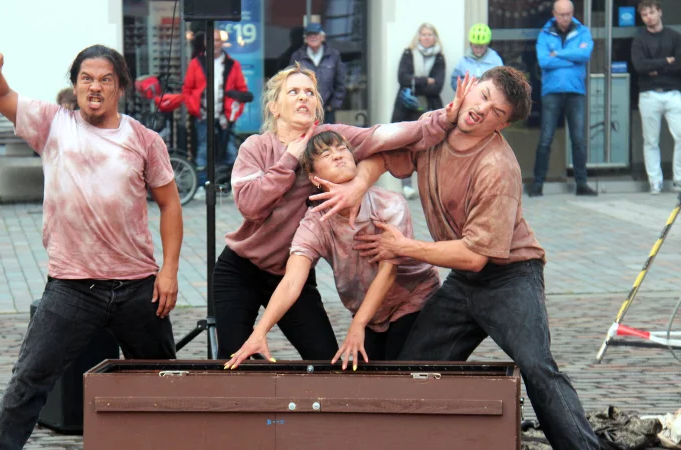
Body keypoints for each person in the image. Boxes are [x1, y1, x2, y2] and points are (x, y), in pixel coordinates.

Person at [315, 66, 598, 450]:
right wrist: (357, 188)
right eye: (482, 96)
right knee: (415, 367)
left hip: (510, 275)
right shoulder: (436, 131)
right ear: (468, 89)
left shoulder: (497, 167)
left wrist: (404, 247)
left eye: (496, 112)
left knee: (537, 368)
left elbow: (476, 256)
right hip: (463, 281)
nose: (483, 110)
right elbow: (383, 158)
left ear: (502, 126)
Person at [0, 44, 183, 449]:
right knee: (28, 381)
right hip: (71, 286)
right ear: (74, 85)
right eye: (86, 78)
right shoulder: (53, 123)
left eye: (106, 79)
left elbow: (170, 203)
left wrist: (170, 270)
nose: (95, 87)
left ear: (120, 87)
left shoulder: (144, 139)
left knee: (164, 384)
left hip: (138, 286)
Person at [213, 63, 468, 362]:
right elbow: (250, 206)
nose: (303, 98)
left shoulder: (329, 140)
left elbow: (384, 136)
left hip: (294, 269)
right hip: (241, 269)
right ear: (275, 107)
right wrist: (289, 160)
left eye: (310, 92)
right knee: (233, 358)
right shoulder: (255, 147)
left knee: (324, 360)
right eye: (293, 92)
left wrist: (444, 118)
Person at [224, 130, 440, 370]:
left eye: (342, 150)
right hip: (372, 315)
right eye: (327, 154)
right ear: (314, 177)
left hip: (415, 300)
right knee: (362, 381)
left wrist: (357, 326)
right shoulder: (316, 223)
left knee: (396, 375)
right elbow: (292, 281)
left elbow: (388, 272)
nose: (338, 156)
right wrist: (260, 331)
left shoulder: (389, 204)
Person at [530, 0, 597, 197]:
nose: (565, 18)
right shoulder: (545, 33)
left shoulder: (583, 31)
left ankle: (581, 184)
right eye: (561, 14)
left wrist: (558, 54)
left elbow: (584, 54)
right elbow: (544, 61)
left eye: (568, 14)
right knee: (546, 138)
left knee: (578, 139)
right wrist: (571, 59)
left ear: (572, 13)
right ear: (554, 14)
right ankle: (538, 184)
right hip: (551, 91)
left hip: (576, 91)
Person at [182, 29, 252, 190]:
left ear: (221, 43)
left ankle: (235, 186)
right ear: (206, 43)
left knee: (230, 152)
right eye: (211, 40)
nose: (214, 43)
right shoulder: (196, 63)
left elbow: (241, 90)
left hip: (225, 116)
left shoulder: (232, 65)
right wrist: (194, 108)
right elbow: (188, 89)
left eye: (217, 40)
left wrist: (235, 112)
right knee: (202, 151)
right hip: (203, 114)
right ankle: (201, 186)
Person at [390, 23, 446, 200]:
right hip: (407, 107)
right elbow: (402, 78)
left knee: (429, 148)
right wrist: (425, 80)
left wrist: (415, 83)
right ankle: (406, 186)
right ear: (418, 36)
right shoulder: (408, 53)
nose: (427, 37)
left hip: (428, 108)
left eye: (430, 34)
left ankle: (428, 187)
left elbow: (437, 86)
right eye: (424, 34)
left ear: (435, 38)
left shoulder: (439, 57)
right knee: (405, 146)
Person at [631, 0, 681, 194]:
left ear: (660, 12)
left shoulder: (675, 37)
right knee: (651, 140)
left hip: (674, 93)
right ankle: (655, 182)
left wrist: (655, 66)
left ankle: (678, 178)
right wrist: (666, 62)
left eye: (651, 12)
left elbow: (679, 64)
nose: (648, 17)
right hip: (649, 95)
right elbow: (640, 67)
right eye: (644, 15)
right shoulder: (639, 40)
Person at [289, 22, 346, 124]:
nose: (313, 37)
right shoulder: (297, 56)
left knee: (326, 138)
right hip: (304, 108)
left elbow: (340, 83)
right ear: (305, 39)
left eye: (316, 34)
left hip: (327, 111)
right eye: (310, 35)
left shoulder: (334, 55)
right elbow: (290, 83)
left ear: (322, 37)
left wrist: (333, 105)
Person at [451, 24, 503, 91]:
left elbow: (502, 81)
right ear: (471, 44)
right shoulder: (464, 60)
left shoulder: (496, 60)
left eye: (481, 47)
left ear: (487, 45)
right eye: (475, 47)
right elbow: (454, 81)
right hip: (468, 97)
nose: (478, 50)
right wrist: (465, 82)